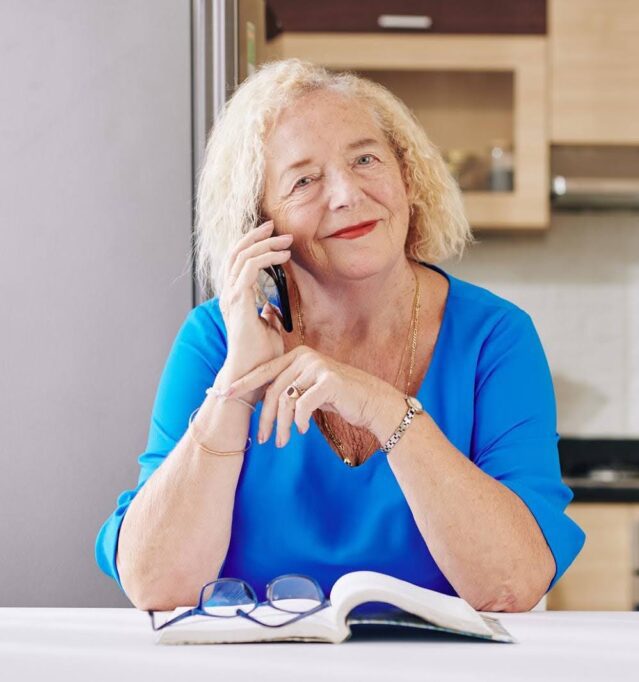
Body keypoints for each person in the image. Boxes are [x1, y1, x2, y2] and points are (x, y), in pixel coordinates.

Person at [95, 59, 584, 613]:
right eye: (304, 179)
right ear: (260, 222)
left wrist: (383, 408)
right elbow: (157, 585)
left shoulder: (495, 338)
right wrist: (237, 384)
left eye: (365, 159)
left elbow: (512, 583)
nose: (347, 193)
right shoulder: (213, 340)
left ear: (407, 176)